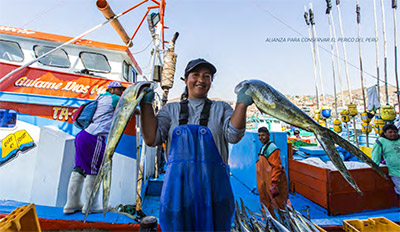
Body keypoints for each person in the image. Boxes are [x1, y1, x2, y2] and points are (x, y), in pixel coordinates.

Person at [139, 58, 252, 231]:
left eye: (207, 76)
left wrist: (242, 104)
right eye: (195, 75)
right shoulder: (170, 110)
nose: (201, 79)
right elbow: (152, 138)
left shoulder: (221, 108)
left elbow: (234, 136)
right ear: (185, 79)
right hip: (177, 192)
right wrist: (146, 104)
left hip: (215, 191)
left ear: (211, 81)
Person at [63, 80, 126, 214]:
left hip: (83, 135)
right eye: (120, 90)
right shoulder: (114, 98)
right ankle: (91, 205)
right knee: (95, 171)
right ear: (113, 90)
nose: (122, 93)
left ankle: (71, 203)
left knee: (79, 169)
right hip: (94, 137)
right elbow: (128, 108)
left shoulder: (100, 98)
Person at [257, 126, 290, 217]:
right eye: (259, 135)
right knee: (266, 202)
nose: (261, 137)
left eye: (263, 135)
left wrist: (274, 183)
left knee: (280, 204)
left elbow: (277, 167)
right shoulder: (264, 147)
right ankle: (270, 221)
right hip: (266, 182)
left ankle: (285, 222)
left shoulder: (272, 148)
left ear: (268, 135)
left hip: (272, 181)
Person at [371, 123, 400, 201]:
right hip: (394, 170)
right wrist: (375, 166)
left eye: (395, 132)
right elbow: (376, 154)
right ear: (384, 133)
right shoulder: (381, 141)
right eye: (390, 132)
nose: (393, 134)